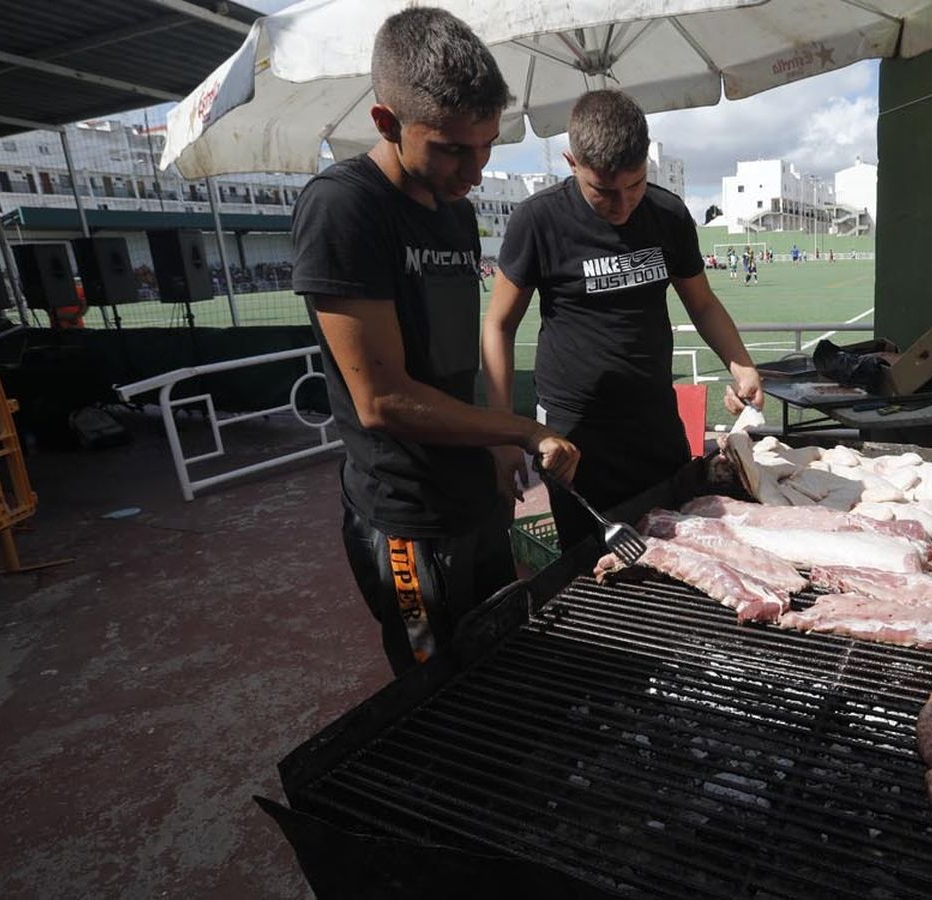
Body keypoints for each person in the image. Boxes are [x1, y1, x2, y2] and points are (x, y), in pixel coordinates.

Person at [291, 7, 579, 676]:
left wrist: (496, 450)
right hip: (406, 519)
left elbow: (450, 359)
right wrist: (518, 429)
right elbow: (381, 400)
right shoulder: (344, 208)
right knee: (430, 683)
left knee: (494, 657)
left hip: (473, 496)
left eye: (487, 146)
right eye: (452, 148)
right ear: (386, 123)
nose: (475, 171)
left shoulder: (456, 212)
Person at [483, 89, 764, 549]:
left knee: (681, 542)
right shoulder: (538, 220)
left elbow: (703, 303)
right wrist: (500, 434)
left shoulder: (667, 213)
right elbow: (498, 325)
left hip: (655, 419)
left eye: (634, 185)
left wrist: (740, 363)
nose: (623, 204)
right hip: (575, 431)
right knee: (590, 560)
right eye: (604, 192)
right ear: (571, 162)